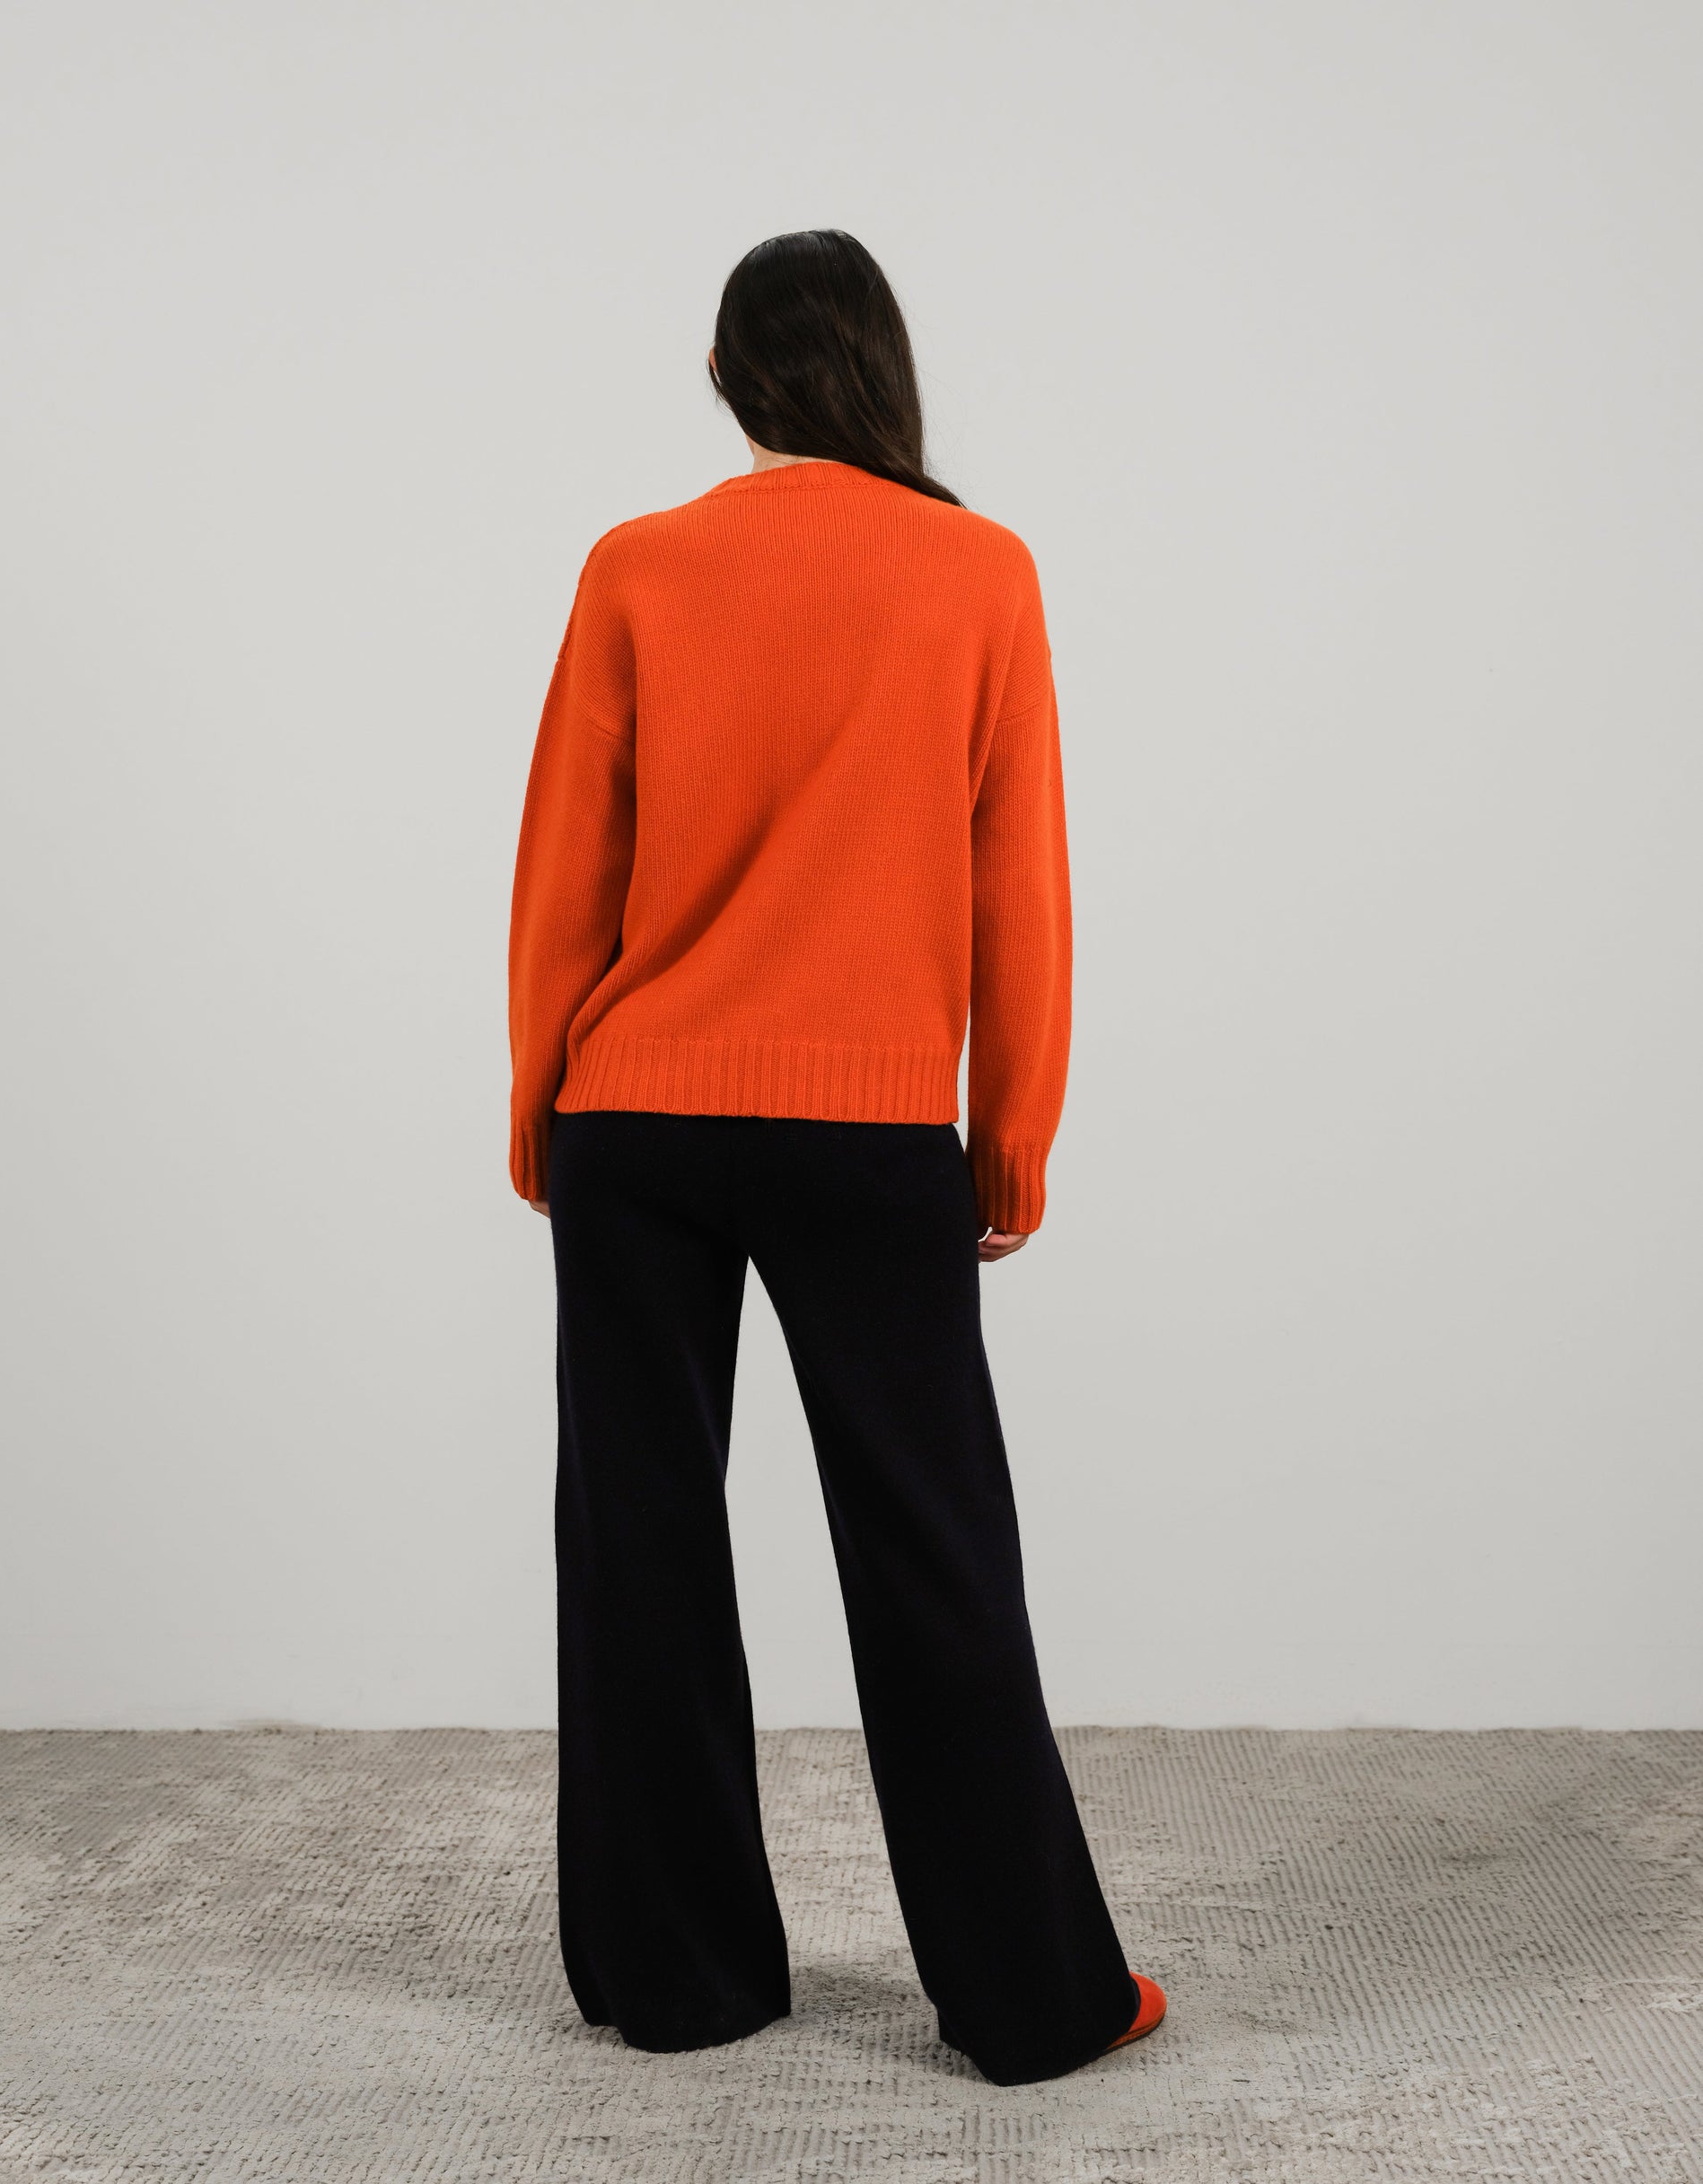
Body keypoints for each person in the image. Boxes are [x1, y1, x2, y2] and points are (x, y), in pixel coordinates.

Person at [506, 229, 1164, 2087]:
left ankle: (679, 1976)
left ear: (724, 377)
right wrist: (1007, 1139)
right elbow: (1016, 882)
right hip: (869, 1131)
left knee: (636, 1542)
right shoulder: (979, 572)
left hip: (635, 1120)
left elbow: (566, 864)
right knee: (933, 1550)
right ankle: (1031, 1997)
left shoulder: (636, 566)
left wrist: (537, 1102)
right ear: (884, 369)